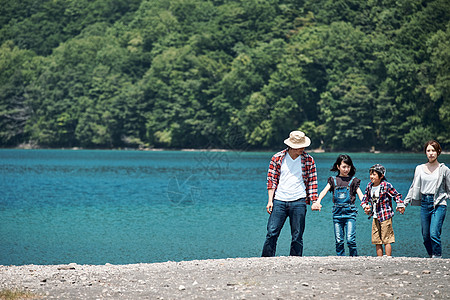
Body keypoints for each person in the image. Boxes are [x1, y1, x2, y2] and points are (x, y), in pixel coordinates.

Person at [261, 130, 318, 257]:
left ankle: (295, 260)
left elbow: (313, 182)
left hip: (299, 200)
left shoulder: (309, 160)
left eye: (303, 145)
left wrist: (314, 201)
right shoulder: (277, 158)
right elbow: (271, 180)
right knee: (272, 232)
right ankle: (265, 260)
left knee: (297, 235)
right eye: (300, 146)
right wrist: (270, 200)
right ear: (291, 145)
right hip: (279, 200)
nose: (302, 148)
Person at [404, 140, 450, 258]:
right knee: (425, 236)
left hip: (439, 203)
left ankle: (437, 257)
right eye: (428, 151)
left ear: (438, 152)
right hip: (425, 203)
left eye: (433, 150)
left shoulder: (444, 169)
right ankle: (431, 256)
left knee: (434, 233)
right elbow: (413, 186)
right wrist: (404, 204)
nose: (431, 153)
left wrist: (444, 197)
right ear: (425, 152)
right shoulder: (419, 168)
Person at [311, 154, 364, 256]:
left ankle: (355, 259)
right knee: (339, 241)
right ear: (338, 166)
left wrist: (365, 204)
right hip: (337, 214)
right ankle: (341, 259)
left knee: (350, 240)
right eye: (344, 167)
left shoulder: (353, 181)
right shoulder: (333, 180)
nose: (346, 169)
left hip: (350, 213)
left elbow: (361, 195)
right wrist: (318, 201)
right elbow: (324, 191)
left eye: (348, 167)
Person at [361, 164, 405, 256]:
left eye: (374, 174)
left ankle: (388, 257)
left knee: (386, 238)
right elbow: (365, 198)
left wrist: (400, 205)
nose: (371, 177)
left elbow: (396, 195)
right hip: (375, 215)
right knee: (376, 239)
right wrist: (365, 206)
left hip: (385, 215)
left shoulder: (386, 185)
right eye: (371, 174)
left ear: (381, 176)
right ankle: (379, 258)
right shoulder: (369, 186)